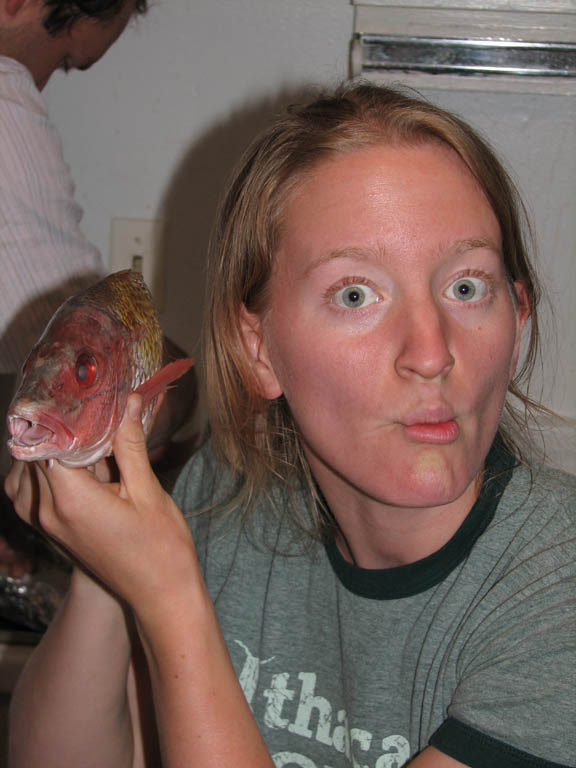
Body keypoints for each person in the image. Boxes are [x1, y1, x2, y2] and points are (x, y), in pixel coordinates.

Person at [5, 82, 575, 768]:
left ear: (518, 321)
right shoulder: (226, 500)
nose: (430, 353)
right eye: (357, 295)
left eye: (466, 286)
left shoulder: (557, 586)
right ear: (258, 350)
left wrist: (170, 595)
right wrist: (112, 560)